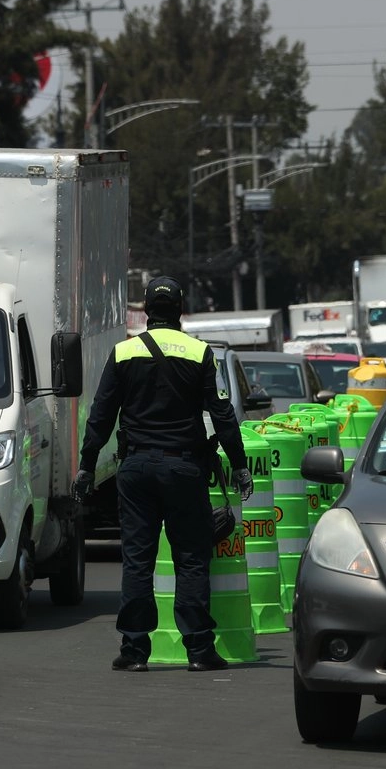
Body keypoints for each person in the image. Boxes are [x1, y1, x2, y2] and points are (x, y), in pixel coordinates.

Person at [72, 276, 253, 673]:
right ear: (181, 310)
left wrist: (86, 466)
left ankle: (135, 650)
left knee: (138, 560)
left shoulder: (123, 353)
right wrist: (239, 465)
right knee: (191, 558)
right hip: (185, 468)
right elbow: (222, 414)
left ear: (148, 310)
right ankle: (199, 650)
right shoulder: (200, 353)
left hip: (135, 469)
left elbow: (101, 416)